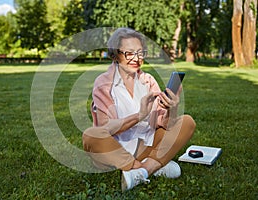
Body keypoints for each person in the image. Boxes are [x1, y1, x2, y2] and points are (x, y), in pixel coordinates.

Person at [82, 27, 196, 191]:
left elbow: (165, 125)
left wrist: (173, 108)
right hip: (115, 151)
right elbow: (105, 128)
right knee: (90, 135)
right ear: (115, 54)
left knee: (187, 122)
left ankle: (142, 171)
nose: (136, 58)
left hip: (146, 146)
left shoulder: (148, 80)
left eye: (140, 53)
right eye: (129, 53)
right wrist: (139, 115)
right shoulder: (104, 83)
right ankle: (149, 165)